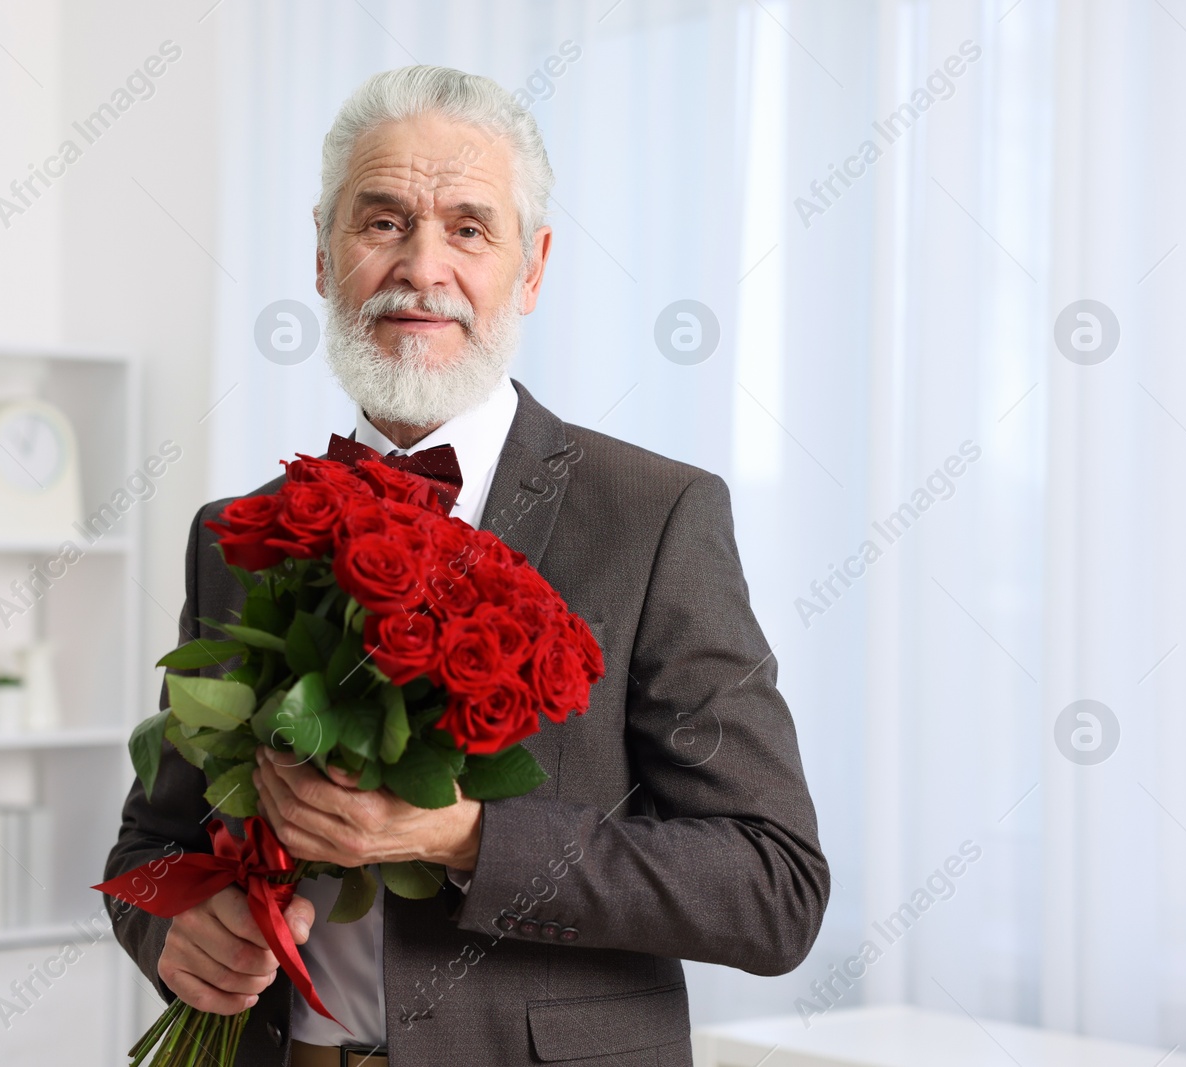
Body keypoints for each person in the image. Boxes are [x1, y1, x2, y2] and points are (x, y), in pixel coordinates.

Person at [106, 64, 829, 1067]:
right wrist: (174, 928)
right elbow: (152, 849)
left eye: (469, 227)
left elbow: (773, 887)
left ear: (530, 269)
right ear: (323, 255)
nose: (422, 266)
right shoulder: (234, 533)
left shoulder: (656, 516)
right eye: (383, 221)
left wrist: (468, 837)